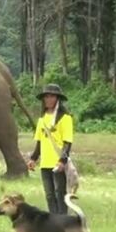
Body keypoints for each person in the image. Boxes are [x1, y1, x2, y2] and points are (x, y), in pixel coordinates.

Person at [27, 84, 74, 214]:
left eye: (52, 96)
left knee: (60, 193)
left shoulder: (66, 118)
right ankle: (53, 220)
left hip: (58, 163)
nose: (48, 99)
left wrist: (62, 160)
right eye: (46, 96)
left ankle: (62, 220)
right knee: (49, 195)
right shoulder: (42, 119)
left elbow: (67, 142)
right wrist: (33, 159)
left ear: (58, 98)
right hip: (45, 164)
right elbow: (39, 142)